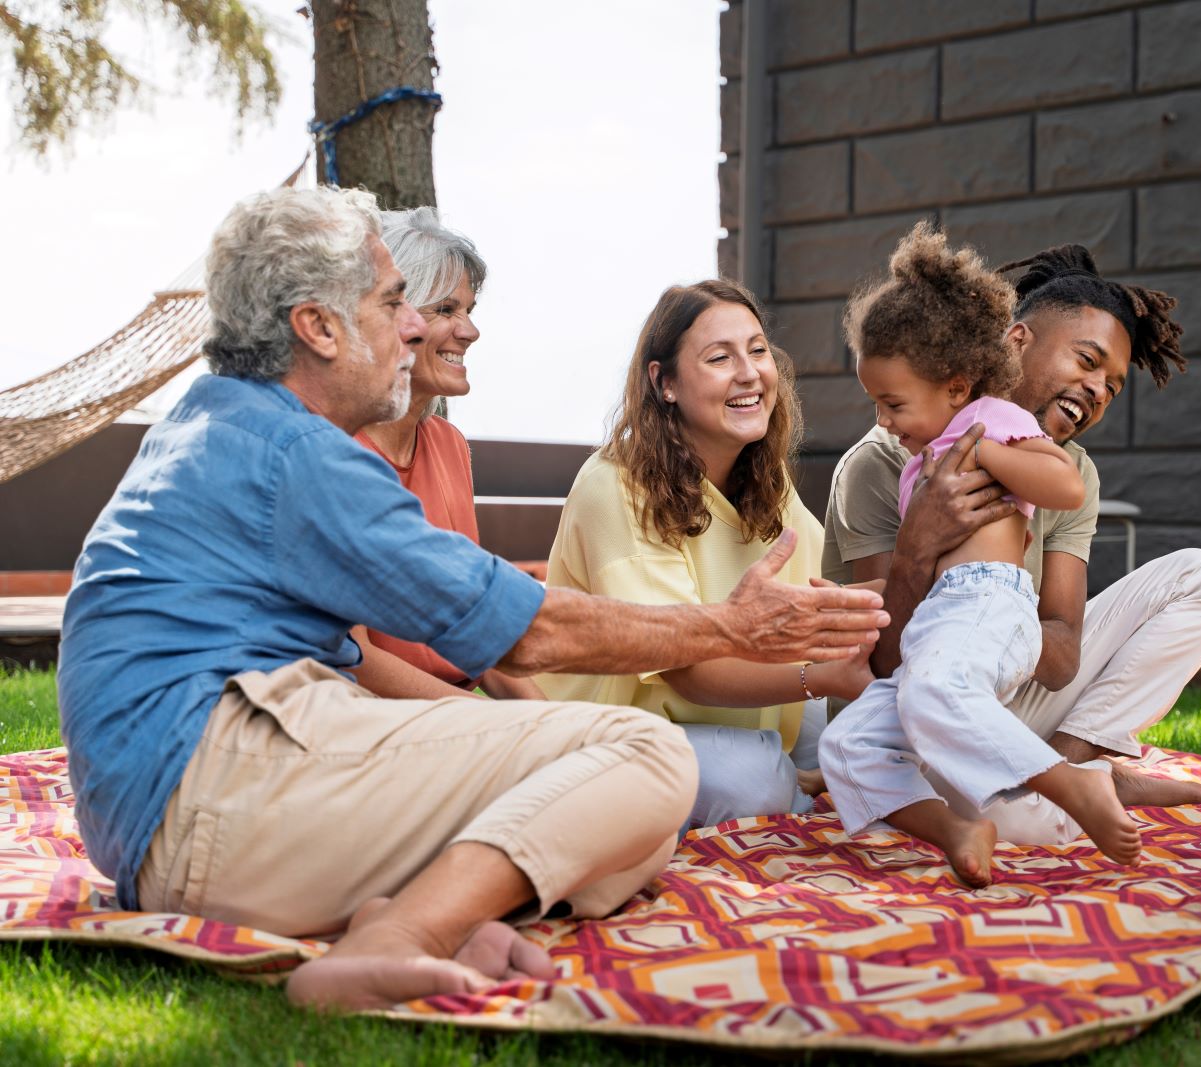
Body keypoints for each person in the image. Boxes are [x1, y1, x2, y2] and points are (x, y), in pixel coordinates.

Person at [57, 186, 888, 1013]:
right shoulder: (293, 454)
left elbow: (424, 643)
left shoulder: (225, 427)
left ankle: (418, 913)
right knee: (650, 759)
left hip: (191, 808)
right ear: (317, 327)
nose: (416, 325)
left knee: (627, 831)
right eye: (393, 303)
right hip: (206, 803)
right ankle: (400, 937)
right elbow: (523, 631)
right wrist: (730, 625)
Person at [822, 236, 1201, 852]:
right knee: (1011, 824)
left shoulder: (1068, 470)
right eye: (1086, 361)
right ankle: (1065, 784)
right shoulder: (884, 464)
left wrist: (989, 605)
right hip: (918, 703)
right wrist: (917, 551)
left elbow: (1063, 654)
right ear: (1016, 341)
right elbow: (882, 663)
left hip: (994, 652)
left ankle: (1064, 773)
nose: (1097, 390)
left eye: (1112, 386)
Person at [539, 280, 875, 829]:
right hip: (614, 734)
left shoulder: (765, 484)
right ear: (664, 381)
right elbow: (687, 669)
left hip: (745, 719)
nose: (749, 373)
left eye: (758, 350)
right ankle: (790, 788)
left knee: (876, 739)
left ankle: (795, 782)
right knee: (757, 780)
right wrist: (825, 678)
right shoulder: (615, 486)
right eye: (720, 358)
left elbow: (833, 602)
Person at [348, 207, 542, 701]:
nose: (470, 331)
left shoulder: (448, 445)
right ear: (392, 317)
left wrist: (548, 716)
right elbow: (355, 659)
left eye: (469, 311)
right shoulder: (338, 453)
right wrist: (499, 724)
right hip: (378, 718)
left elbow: (473, 623)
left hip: (460, 705)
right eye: (447, 310)